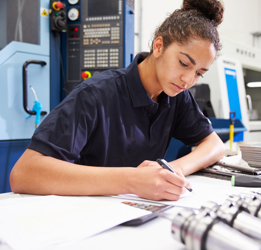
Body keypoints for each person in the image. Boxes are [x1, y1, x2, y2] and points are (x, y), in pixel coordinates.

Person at [9, 0, 225, 201]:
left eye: (199, 73)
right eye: (183, 63)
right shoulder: (96, 94)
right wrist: (132, 180)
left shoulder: (177, 97)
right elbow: (24, 173)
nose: (188, 80)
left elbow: (214, 145)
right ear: (158, 47)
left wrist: (173, 168)